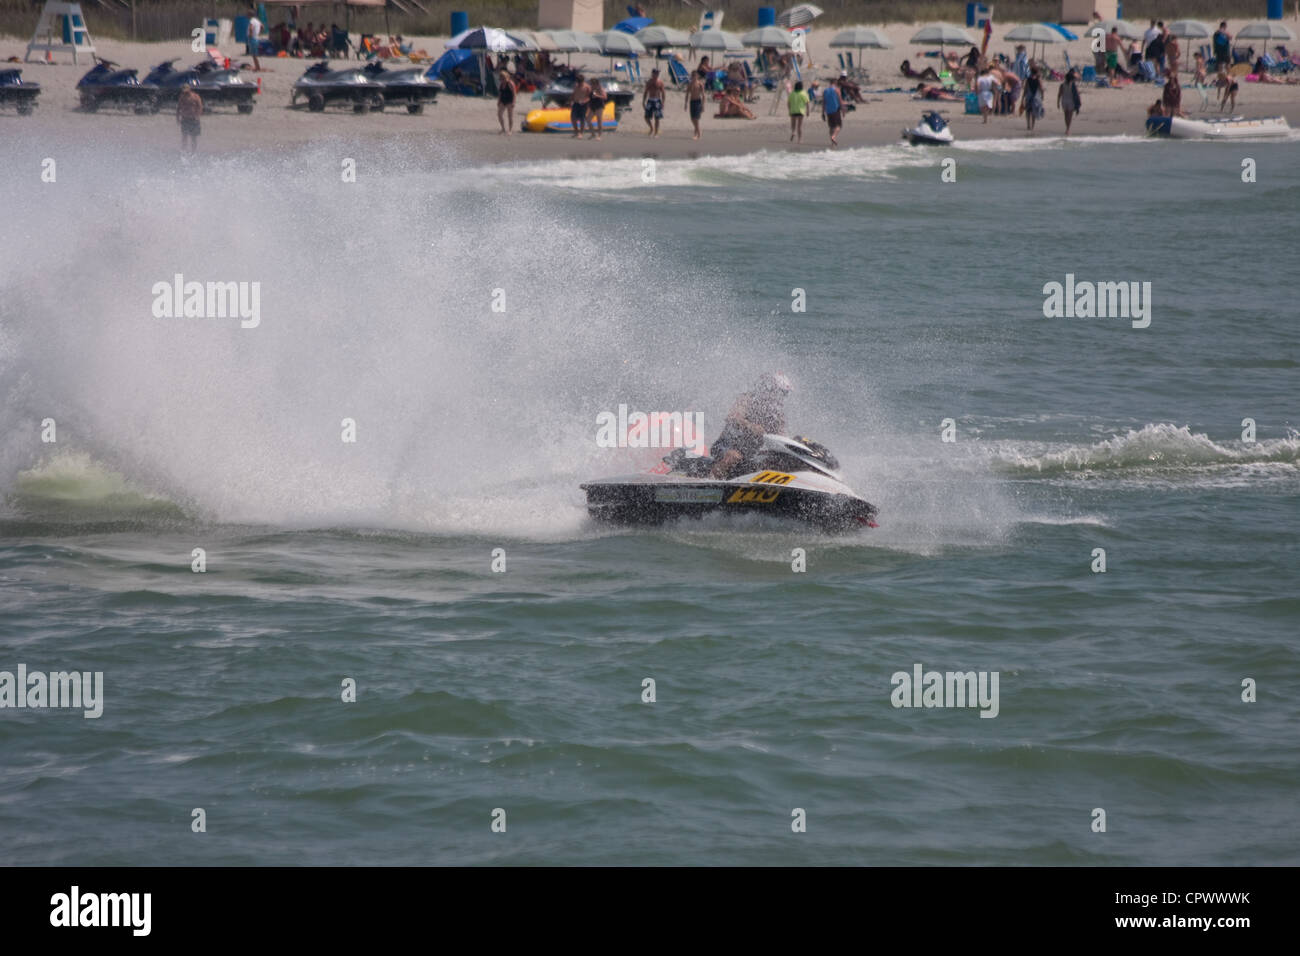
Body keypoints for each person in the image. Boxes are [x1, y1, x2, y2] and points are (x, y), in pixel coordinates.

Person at [709, 373, 792, 478]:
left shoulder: (777, 415)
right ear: (768, 388)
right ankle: (711, 480)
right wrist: (751, 426)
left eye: (784, 394)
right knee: (733, 456)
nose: (781, 398)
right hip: (726, 445)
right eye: (780, 393)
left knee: (774, 462)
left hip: (750, 453)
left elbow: (782, 435)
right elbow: (733, 417)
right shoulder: (748, 399)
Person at [176, 85, 202, 153]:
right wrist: (177, 118)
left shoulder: (195, 96)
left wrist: (197, 115)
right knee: (184, 136)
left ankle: (193, 151)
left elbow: (200, 107)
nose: (185, 93)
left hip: (194, 119)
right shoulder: (182, 97)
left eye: (186, 91)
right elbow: (178, 108)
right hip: (185, 119)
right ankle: (183, 150)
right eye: (184, 91)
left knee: (193, 137)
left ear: (189, 89)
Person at [1057, 68, 1081, 135]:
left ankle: (1067, 128)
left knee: (1065, 115)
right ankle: (1068, 129)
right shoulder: (1073, 85)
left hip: (1064, 101)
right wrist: (1079, 102)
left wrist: (1058, 103)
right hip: (1071, 101)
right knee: (1070, 116)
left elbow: (1059, 94)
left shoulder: (1062, 85)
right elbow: (1077, 94)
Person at [1021, 66, 1044, 131]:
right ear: (1036, 72)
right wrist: (1042, 96)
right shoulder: (1038, 79)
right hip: (1036, 98)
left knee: (1028, 111)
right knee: (1034, 112)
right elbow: (1042, 89)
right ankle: (1032, 126)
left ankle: (1028, 125)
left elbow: (1025, 90)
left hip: (1029, 97)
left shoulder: (1028, 79)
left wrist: (1022, 98)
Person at [821, 76, 842, 147]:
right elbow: (840, 100)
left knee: (831, 127)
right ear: (835, 83)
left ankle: (832, 143)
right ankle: (833, 137)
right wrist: (843, 109)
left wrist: (822, 113)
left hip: (828, 111)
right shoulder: (837, 90)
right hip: (835, 110)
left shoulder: (825, 91)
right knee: (838, 126)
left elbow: (823, 102)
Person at [643, 68, 665, 137]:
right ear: (652, 74)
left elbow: (663, 92)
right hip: (650, 100)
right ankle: (651, 128)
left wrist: (663, 102)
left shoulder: (660, 82)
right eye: (656, 73)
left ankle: (656, 132)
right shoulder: (649, 82)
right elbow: (646, 92)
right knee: (646, 117)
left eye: (658, 73)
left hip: (657, 101)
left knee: (657, 117)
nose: (657, 75)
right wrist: (643, 101)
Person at [685, 69, 705, 140]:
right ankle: (697, 132)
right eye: (692, 75)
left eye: (695, 75)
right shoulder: (690, 84)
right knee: (692, 119)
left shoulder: (700, 84)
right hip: (692, 102)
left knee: (696, 119)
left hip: (698, 102)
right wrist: (685, 104)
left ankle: (698, 134)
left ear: (697, 76)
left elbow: (703, 95)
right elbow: (687, 94)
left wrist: (703, 106)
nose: (693, 77)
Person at [569, 73, 590, 138]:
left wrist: (585, 101)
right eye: (578, 82)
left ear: (583, 81)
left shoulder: (587, 87)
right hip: (576, 103)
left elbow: (590, 97)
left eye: (580, 82)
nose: (579, 83)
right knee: (573, 118)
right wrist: (571, 101)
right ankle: (576, 132)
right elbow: (573, 94)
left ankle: (581, 133)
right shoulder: (576, 86)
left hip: (583, 104)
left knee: (582, 119)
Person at [496, 69, 516, 135]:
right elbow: (500, 93)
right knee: (499, 114)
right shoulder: (501, 84)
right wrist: (498, 101)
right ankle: (503, 129)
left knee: (510, 116)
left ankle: (510, 130)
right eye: (501, 78)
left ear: (507, 77)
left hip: (510, 100)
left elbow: (514, 93)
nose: (503, 80)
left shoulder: (510, 83)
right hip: (503, 100)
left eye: (504, 78)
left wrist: (513, 102)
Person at [246, 7, 263, 72]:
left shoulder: (252, 21)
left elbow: (251, 28)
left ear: (250, 15)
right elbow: (262, 26)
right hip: (256, 37)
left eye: (247, 14)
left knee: (254, 54)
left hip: (252, 38)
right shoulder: (257, 21)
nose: (246, 15)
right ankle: (257, 67)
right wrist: (258, 32)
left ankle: (257, 67)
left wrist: (250, 35)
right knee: (254, 54)